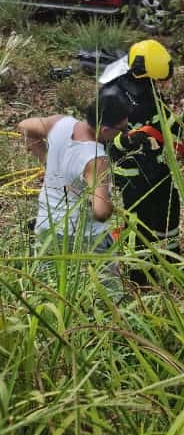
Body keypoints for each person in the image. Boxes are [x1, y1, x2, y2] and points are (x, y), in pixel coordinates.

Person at [18, 95, 129, 291]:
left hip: (47, 227)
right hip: (84, 237)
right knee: (107, 297)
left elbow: (25, 126)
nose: (124, 133)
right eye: (122, 129)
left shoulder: (59, 122)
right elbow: (100, 212)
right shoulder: (96, 158)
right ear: (105, 129)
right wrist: (110, 203)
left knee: (51, 290)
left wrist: (45, 158)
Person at [100, 40, 184, 284]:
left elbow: (162, 118)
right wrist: (129, 140)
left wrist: (183, 131)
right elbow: (105, 139)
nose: (158, 84)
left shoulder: (146, 88)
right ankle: (140, 272)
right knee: (138, 223)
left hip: (157, 167)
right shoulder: (112, 96)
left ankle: (172, 258)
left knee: (169, 209)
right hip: (132, 175)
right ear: (142, 69)